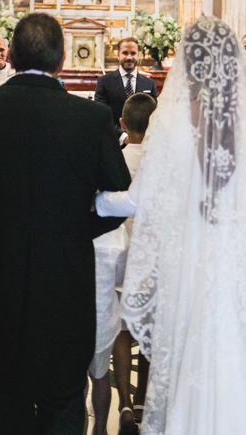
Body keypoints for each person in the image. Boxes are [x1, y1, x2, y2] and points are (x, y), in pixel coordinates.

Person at [95, 16, 246, 434]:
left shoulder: (169, 125)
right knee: (243, 370)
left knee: (191, 373)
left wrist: (92, 200)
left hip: (188, 275)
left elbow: (137, 201)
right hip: (244, 274)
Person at [0, 13, 131, 434]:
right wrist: (75, 228)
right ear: (61, 59)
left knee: (8, 399)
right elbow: (118, 192)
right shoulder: (90, 118)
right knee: (64, 399)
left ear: (14, 57)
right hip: (65, 284)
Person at [90, 92, 157, 435]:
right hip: (151, 254)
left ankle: (125, 402)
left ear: (122, 123)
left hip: (116, 250)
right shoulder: (161, 161)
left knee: (119, 328)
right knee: (147, 326)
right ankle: (142, 399)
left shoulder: (117, 156)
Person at [94, 37, 159, 134]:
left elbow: (154, 116)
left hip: (142, 139)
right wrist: (123, 137)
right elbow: (101, 116)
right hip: (114, 140)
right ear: (118, 55)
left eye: (133, 53)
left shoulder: (149, 84)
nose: (129, 57)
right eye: (125, 53)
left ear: (138, 55)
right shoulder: (104, 82)